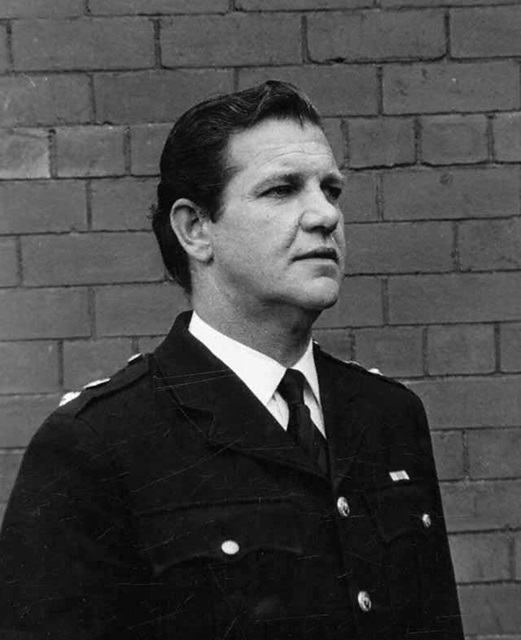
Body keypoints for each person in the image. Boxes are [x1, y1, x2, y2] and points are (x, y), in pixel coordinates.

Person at [0, 81, 464, 639]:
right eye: (282, 190)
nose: (325, 215)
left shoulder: (388, 415)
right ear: (196, 229)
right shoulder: (98, 443)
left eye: (331, 190)